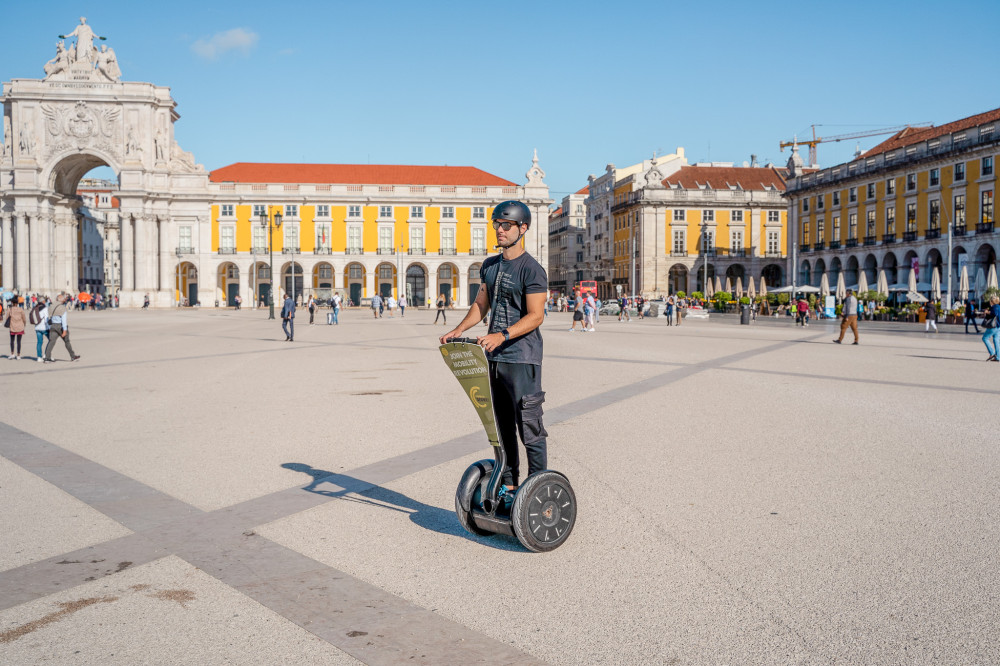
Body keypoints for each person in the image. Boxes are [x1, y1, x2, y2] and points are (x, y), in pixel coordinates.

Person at [440, 200, 548, 495]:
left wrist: (502, 335)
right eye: (496, 225)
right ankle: (510, 483)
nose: (499, 230)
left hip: (523, 357)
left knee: (528, 425)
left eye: (506, 225)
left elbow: (536, 315)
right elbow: (480, 304)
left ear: (522, 228)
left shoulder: (532, 270)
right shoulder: (489, 265)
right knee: (501, 427)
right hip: (494, 357)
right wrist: (459, 329)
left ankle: (538, 486)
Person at [44, 294, 80, 362]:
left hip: (53, 326)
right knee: (67, 342)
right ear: (62, 300)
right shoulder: (62, 308)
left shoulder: (51, 306)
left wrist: (49, 327)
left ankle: (47, 358)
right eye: (64, 299)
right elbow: (64, 320)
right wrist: (64, 330)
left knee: (51, 342)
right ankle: (73, 356)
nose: (65, 300)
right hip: (60, 326)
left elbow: (48, 317)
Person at [982, 295, 1000, 361]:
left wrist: (987, 312)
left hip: (993, 326)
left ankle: (992, 353)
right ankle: (998, 357)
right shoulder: (999, 307)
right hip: (998, 327)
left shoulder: (995, 307)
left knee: (985, 338)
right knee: (996, 341)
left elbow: (994, 313)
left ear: (992, 301)